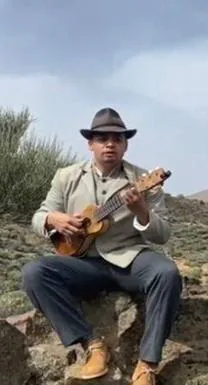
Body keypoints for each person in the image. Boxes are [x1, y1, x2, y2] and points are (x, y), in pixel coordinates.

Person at [21, 107, 182, 385]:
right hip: (83, 264)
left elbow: (163, 234)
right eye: (102, 138)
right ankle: (92, 344)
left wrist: (142, 212)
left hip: (130, 260)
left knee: (166, 273)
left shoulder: (144, 181)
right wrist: (53, 219)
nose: (110, 143)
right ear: (91, 144)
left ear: (125, 145)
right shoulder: (66, 177)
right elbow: (38, 217)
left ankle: (147, 364)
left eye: (117, 139)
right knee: (34, 273)